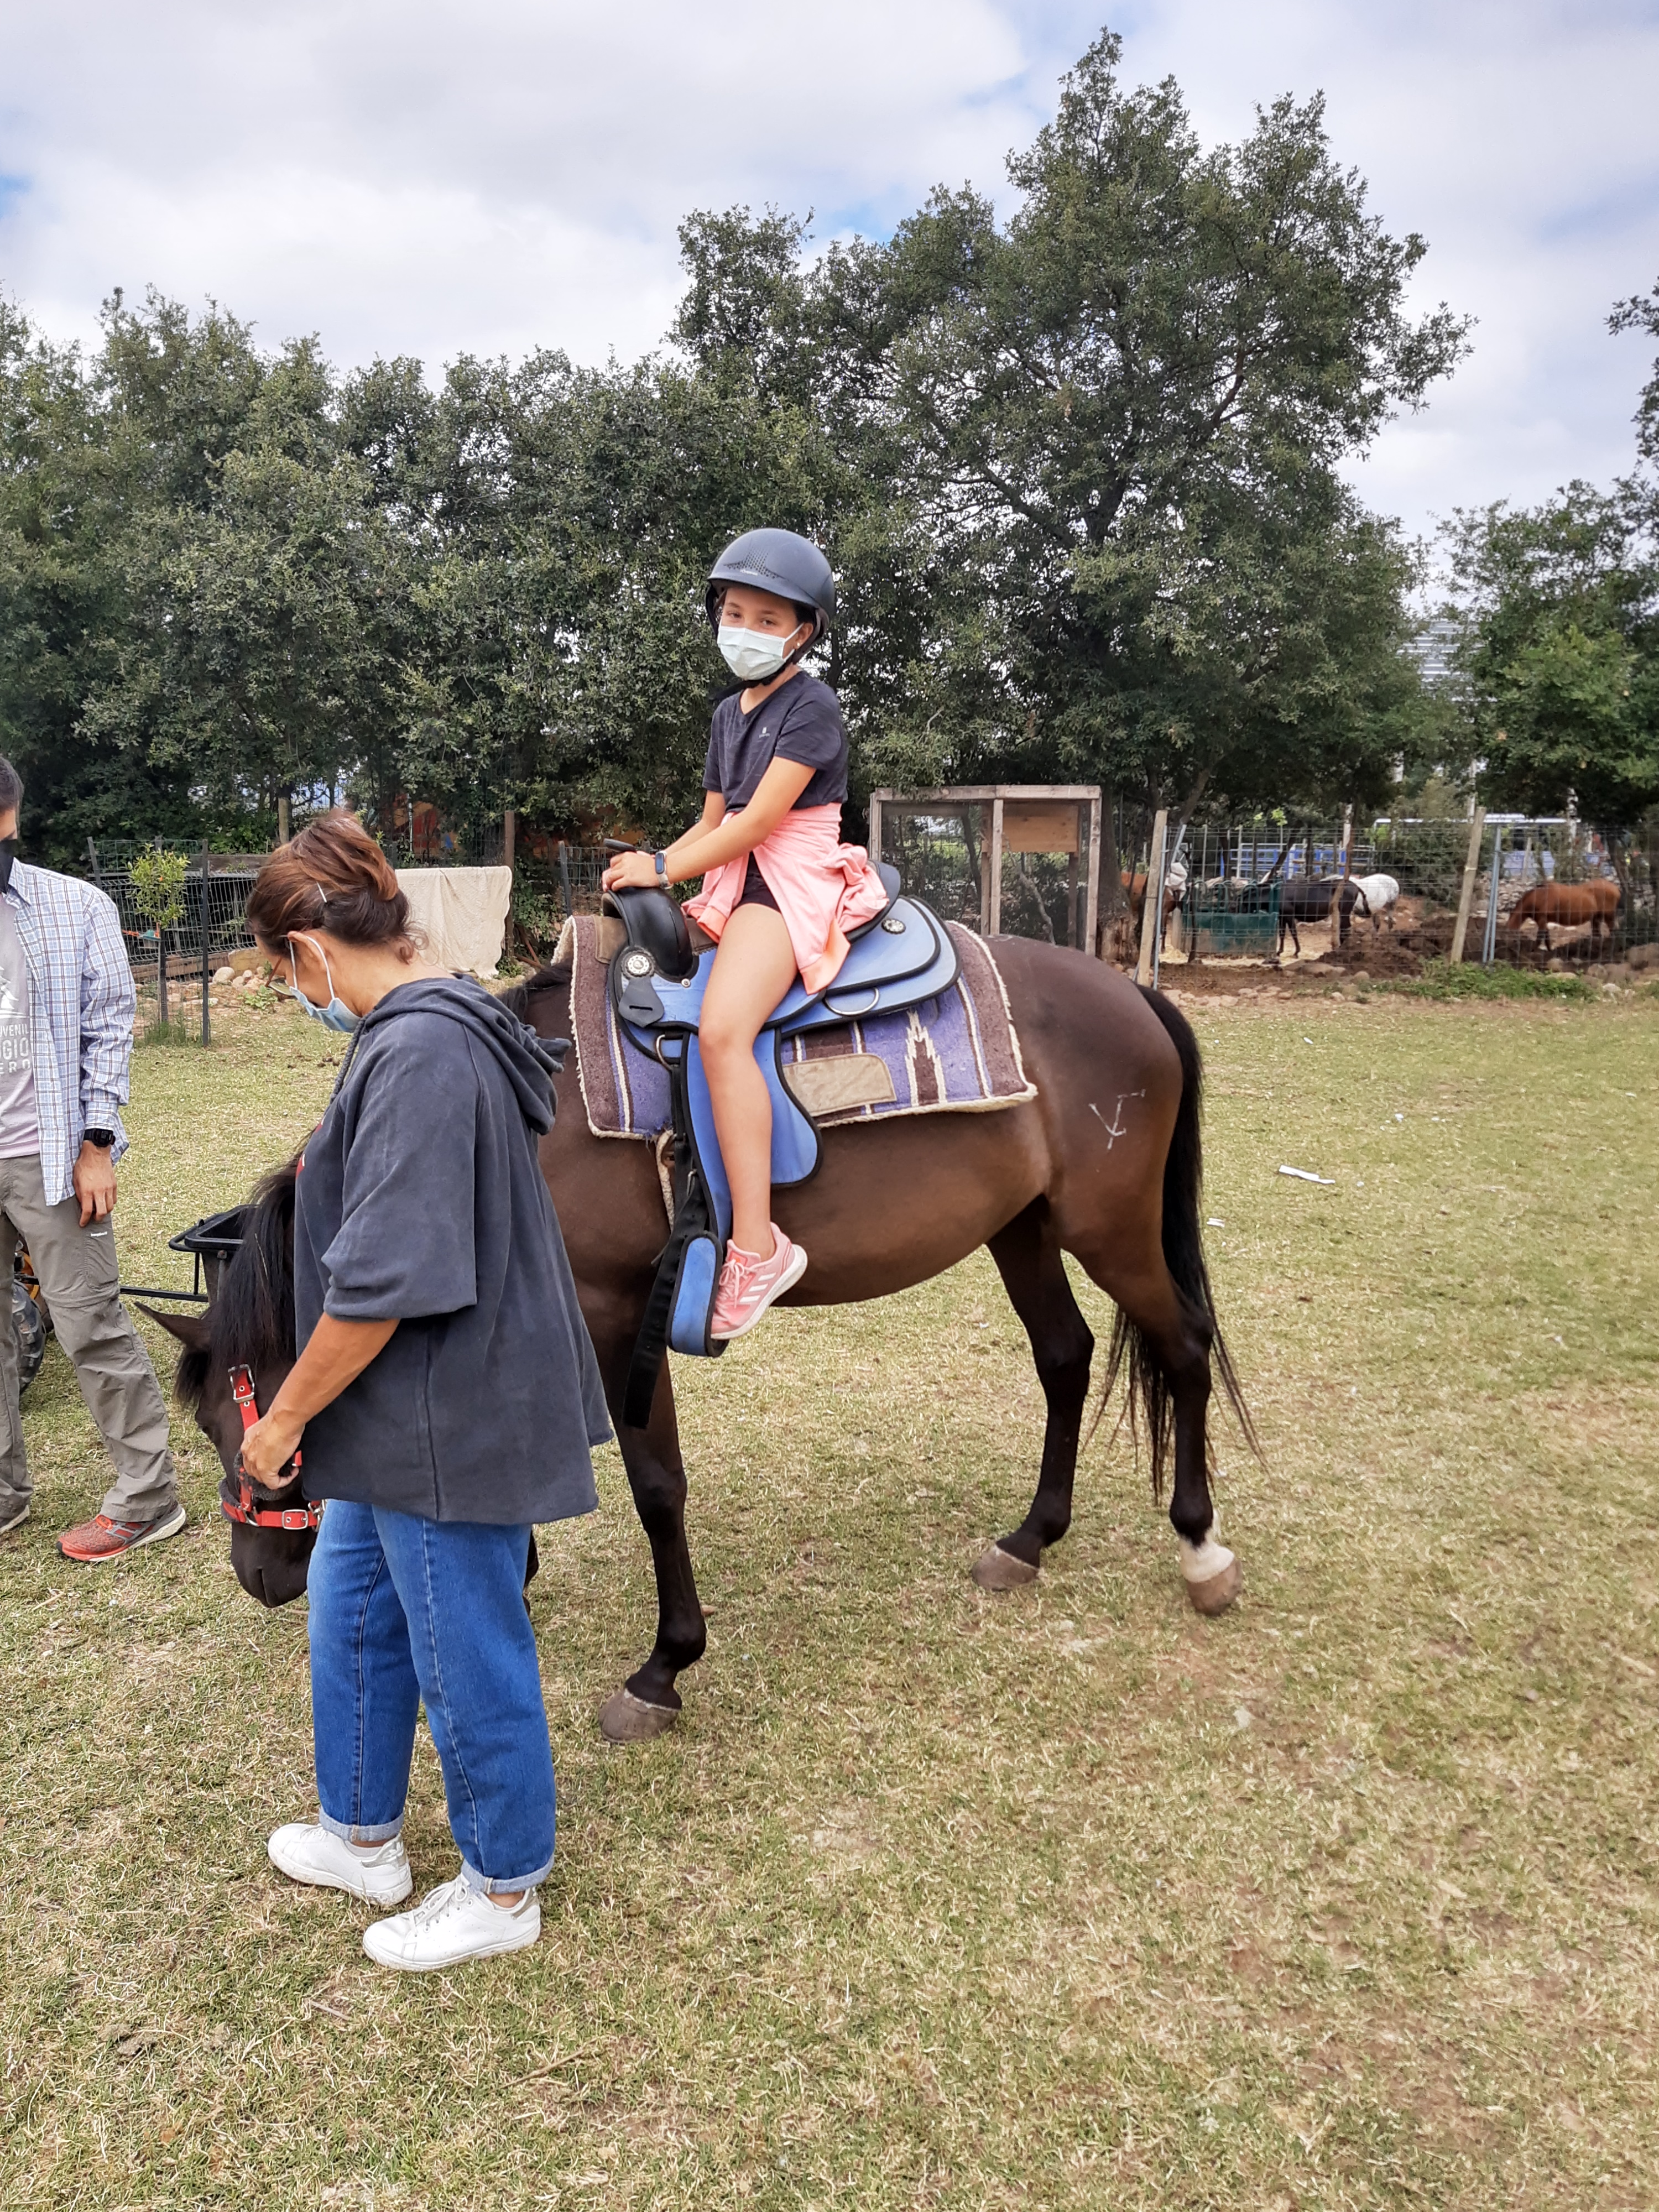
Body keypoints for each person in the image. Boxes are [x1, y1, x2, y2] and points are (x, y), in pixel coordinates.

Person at [238, 813, 611, 1973]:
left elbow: (384, 1283)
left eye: (280, 975)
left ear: (309, 950)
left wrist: (286, 1416)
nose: (291, 994)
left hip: (451, 1408)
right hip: (400, 1408)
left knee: (463, 1645)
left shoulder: (421, 1054)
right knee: (353, 1603)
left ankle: (503, 1887)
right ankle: (360, 1834)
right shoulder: (424, 1028)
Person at [601, 529, 886, 1340]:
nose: (746, 630)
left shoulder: (812, 706)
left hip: (786, 883)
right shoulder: (729, 713)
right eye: (735, 613)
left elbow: (761, 822)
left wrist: (663, 866)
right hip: (737, 875)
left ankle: (759, 1247)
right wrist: (652, 869)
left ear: (802, 632)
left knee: (726, 1031)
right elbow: (712, 823)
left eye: (768, 619)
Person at [0, 755, 184, 1562]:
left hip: (46, 1157)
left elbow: (109, 1027)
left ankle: (148, 1497)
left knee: (90, 1327)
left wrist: (97, 1144)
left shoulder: (75, 906)